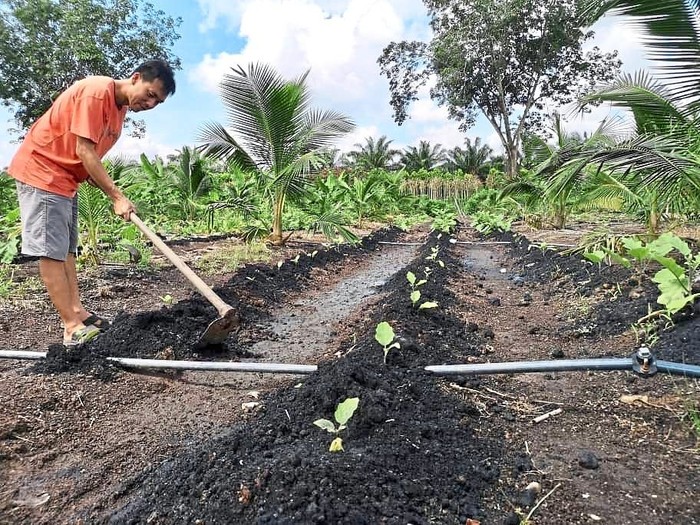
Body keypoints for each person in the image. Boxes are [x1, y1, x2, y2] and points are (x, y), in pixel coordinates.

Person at [7, 60, 176, 348]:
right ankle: (71, 327)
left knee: (67, 251)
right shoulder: (97, 93)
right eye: (150, 94)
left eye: (157, 102)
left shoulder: (119, 111)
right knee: (51, 252)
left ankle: (79, 314)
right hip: (43, 172)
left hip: (66, 180)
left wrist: (116, 195)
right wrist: (116, 196)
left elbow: (90, 161)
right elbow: (83, 150)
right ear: (135, 78)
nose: (150, 104)